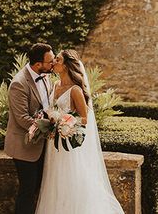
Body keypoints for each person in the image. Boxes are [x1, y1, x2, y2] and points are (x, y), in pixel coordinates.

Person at [35, 49, 124, 214]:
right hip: (54, 145)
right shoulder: (55, 85)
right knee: (55, 181)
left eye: (58, 60)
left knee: (71, 181)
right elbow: (50, 110)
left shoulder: (75, 90)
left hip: (68, 144)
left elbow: (84, 118)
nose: (54, 62)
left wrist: (64, 122)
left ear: (67, 66)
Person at [5, 42, 55, 214]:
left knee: (38, 190)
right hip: (24, 147)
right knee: (27, 192)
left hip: (42, 145)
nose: (53, 64)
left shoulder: (46, 76)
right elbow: (21, 118)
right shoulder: (19, 83)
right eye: (50, 62)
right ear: (38, 64)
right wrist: (51, 128)